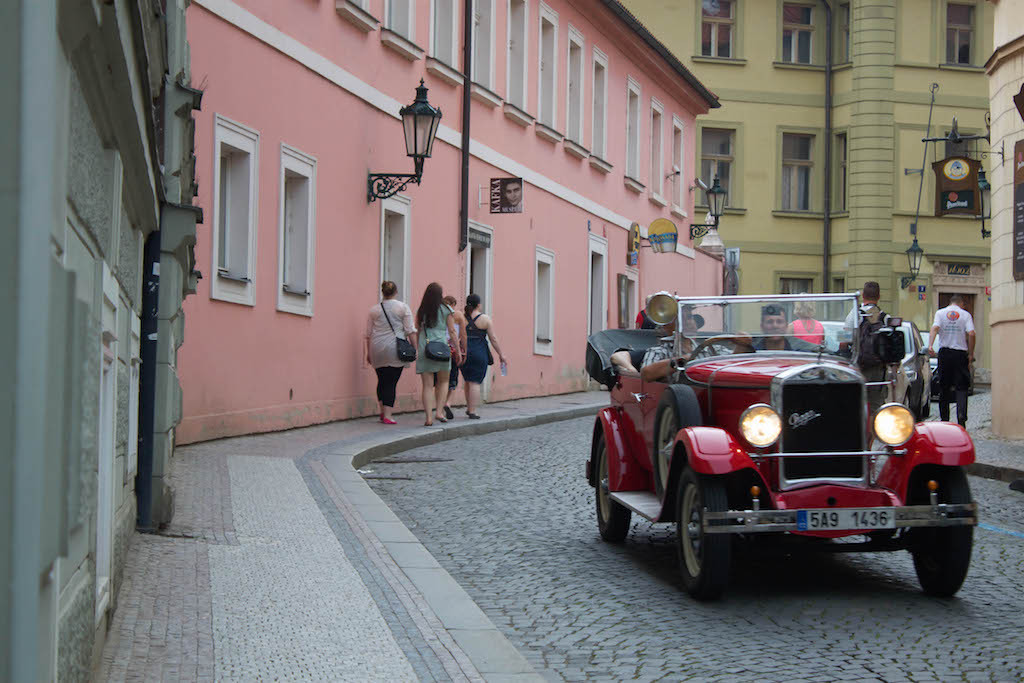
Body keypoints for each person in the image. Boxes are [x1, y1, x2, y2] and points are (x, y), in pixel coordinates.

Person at [365, 280, 415, 424]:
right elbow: (410, 330)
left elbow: (368, 333)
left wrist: (368, 352)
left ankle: (382, 411)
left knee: (381, 380)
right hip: (395, 348)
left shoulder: (374, 310)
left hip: (376, 347)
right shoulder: (402, 308)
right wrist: (414, 347)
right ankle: (388, 415)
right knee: (391, 382)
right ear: (395, 292)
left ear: (383, 292)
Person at [415, 283, 462, 426]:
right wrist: (458, 350)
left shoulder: (421, 310)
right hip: (441, 347)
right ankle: (439, 412)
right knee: (443, 382)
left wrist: (419, 347)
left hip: (426, 346)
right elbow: (452, 331)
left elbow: (417, 330)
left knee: (427, 385)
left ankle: (428, 417)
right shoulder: (446, 309)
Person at [843, 281, 888, 417]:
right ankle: (873, 436)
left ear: (863, 295)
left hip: (859, 367)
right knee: (876, 407)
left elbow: (844, 341)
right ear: (879, 296)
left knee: (855, 404)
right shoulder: (885, 317)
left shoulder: (855, 315)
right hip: (879, 370)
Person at [929, 294, 975, 427]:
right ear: (961, 304)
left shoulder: (940, 313)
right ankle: (961, 418)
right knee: (962, 387)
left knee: (944, 387)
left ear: (950, 303)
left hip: (945, 353)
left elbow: (935, 328)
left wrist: (931, 345)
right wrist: (970, 354)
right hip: (960, 354)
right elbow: (971, 333)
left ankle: (944, 421)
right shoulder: (965, 315)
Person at [461, 293, 507, 418]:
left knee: (467, 381)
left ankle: (468, 407)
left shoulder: (462, 318)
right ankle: (472, 410)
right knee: (475, 382)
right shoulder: (485, 319)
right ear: (478, 305)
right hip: (479, 353)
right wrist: (501, 354)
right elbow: (493, 339)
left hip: (464, 352)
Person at [439, 295, 468, 420]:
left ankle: (439, 408)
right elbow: (463, 334)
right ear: (453, 304)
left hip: (438, 350)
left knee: (439, 381)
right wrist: (464, 350)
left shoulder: (438, 314)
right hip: (452, 350)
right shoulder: (458, 315)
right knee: (452, 379)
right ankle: (447, 402)